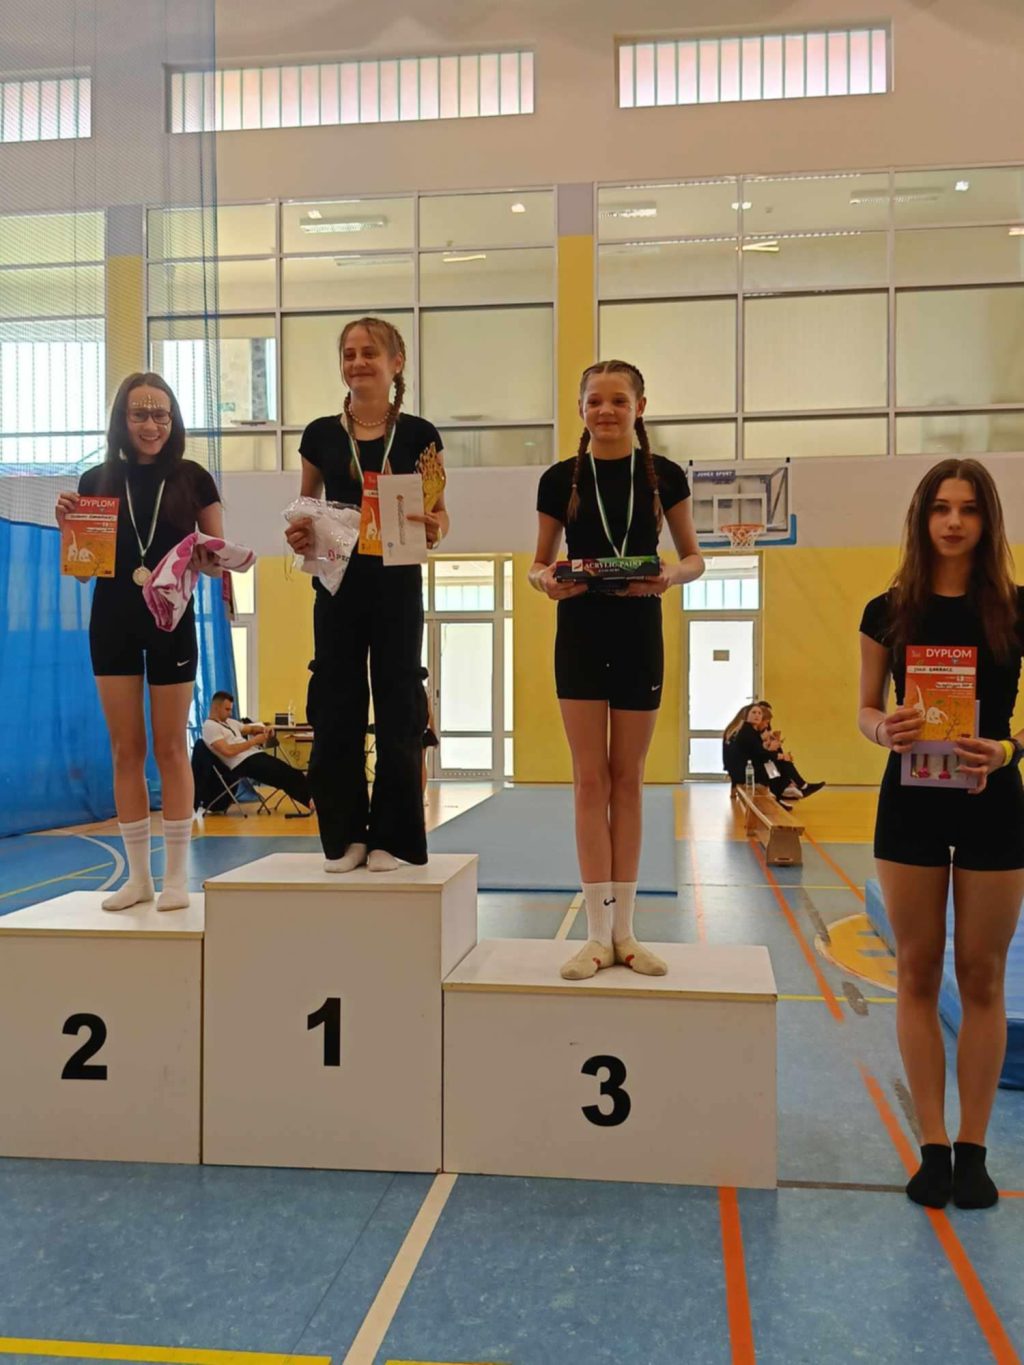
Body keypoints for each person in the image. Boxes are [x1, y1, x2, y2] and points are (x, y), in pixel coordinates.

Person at [858, 458, 1024, 1210]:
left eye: (968, 509)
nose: (954, 522)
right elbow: (866, 706)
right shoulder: (888, 610)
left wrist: (1008, 749)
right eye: (940, 508)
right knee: (918, 971)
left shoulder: (1015, 610)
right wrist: (883, 729)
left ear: (987, 521)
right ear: (922, 518)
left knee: (982, 976)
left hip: (994, 801)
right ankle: (931, 1145)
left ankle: (974, 1148)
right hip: (911, 801)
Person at [531, 360, 704, 980]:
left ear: (639, 407)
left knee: (628, 780)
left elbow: (694, 559)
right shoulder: (559, 479)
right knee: (589, 781)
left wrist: (668, 575)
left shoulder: (664, 476)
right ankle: (595, 936)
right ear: (581, 409)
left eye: (618, 401)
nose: (606, 411)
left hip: (639, 633)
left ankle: (626, 934)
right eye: (595, 401)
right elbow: (538, 565)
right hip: (579, 633)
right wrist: (547, 582)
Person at [54, 372, 223, 911]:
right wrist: (67, 528)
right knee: (126, 749)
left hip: (172, 620)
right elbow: (84, 571)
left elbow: (217, 559)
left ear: (173, 421)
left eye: (161, 415)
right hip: (113, 621)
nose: (151, 425)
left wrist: (210, 557)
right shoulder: (95, 480)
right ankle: (138, 878)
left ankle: (175, 876)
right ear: (121, 420)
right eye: (140, 414)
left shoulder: (194, 477)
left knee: (171, 746)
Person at [285, 317, 448, 873]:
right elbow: (305, 508)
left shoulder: (421, 435)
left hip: (397, 584)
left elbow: (440, 512)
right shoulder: (320, 434)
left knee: (400, 706)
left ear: (396, 363)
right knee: (336, 706)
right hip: (337, 584)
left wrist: (436, 527)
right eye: (349, 354)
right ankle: (346, 836)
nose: (358, 362)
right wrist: (298, 532)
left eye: (370, 353)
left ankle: (393, 839)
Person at [201, 690, 311, 811]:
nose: (230, 713)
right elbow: (228, 751)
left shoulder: (230, 722)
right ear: (216, 708)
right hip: (241, 763)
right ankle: (310, 802)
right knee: (285, 775)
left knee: (292, 772)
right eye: (227, 709)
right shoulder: (210, 727)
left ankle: (312, 800)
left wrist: (264, 729)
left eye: (230, 709)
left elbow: (250, 729)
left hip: (254, 755)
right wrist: (254, 742)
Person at [722, 703, 792, 804]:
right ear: (747, 715)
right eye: (754, 712)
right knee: (778, 767)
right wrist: (779, 755)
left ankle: (784, 792)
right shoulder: (747, 731)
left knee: (776, 767)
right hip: (745, 770)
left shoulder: (744, 729)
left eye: (759, 713)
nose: (757, 715)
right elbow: (760, 754)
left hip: (738, 768)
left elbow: (755, 751)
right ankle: (781, 794)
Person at [755, 701, 824, 800]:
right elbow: (760, 753)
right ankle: (793, 787)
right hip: (757, 766)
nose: (767, 724)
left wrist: (773, 744)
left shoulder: (759, 729)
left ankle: (790, 788)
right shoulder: (752, 732)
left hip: (764, 761)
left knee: (781, 763)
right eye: (766, 720)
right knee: (780, 764)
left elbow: (762, 751)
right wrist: (776, 752)